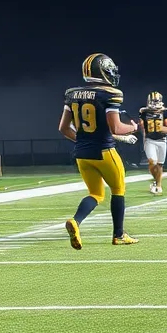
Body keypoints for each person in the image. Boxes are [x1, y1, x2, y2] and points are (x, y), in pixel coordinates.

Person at [58, 53, 140, 249]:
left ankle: (76, 222)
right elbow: (116, 129)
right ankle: (118, 235)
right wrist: (134, 127)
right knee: (118, 190)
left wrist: (84, 141)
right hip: (104, 152)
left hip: (82, 154)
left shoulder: (72, 94)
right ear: (102, 71)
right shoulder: (110, 94)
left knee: (95, 193)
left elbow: (63, 128)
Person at [138, 91, 167, 194]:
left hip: (162, 140)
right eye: (153, 101)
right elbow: (142, 127)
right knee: (152, 162)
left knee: (160, 164)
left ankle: (158, 184)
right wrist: (143, 138)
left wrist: (160, 127)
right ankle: (156, 181)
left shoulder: (166, 111)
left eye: (156, 101)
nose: (155, 103)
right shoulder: (143, 111)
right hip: (150, 139)